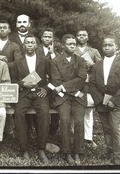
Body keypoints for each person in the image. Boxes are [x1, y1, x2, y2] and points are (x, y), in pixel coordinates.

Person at [89, 36, 120, 165]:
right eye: (105, 45)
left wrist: (114, 100)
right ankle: (110, 152)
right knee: (106, 129)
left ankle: (118, 159)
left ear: (116, 46)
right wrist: (100, 100)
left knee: (115, 129)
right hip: (101, 101)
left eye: (110, 45)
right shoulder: (97, 65)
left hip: (116, 102)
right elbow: (92, 84)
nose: (107, 48)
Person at [11, 34, 51, 163]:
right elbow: (12, 81)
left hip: (40, 93)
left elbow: (54, 78)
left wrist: (46, 89)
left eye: (32, 42)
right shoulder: (18, 62)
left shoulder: (44, 60)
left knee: (44, 113)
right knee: (18, 113)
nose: (29, 45)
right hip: (24, 94)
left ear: (36, 45)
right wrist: (23, 84)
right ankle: (24, 149)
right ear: (24, 45)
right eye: (27, 42)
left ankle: (41, 148)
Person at [50, 34, 87, 165]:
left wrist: (64, 86)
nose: (73, 46)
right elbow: (55, 81)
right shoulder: (55, 61)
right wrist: (66, 87)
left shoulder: (81, 60)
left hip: (78, 97)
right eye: (69, 44)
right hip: (63, 98)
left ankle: (78, 151)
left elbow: (81, 79)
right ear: (63, 45)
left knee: (79, 121)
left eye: (74, 44)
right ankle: (66, 152)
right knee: (64, 120)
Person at [0, 20, 22, 137]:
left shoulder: (14, 46)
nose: (2, 30)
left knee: (11, 103)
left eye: (5, 28)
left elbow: (18, 62)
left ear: (9, 30)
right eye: (0, 28)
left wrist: (4, 64)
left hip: (9, 78)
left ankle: (13, 130)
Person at [75, 28, 102, 147]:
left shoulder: (94, 51)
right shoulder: (71, 48)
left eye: (84, 35)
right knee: (73, 111)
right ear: (76, 37)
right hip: (75, 84)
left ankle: (88, 138)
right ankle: (73, 136)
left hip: (89, 84)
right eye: (79, 35)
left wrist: (93, 65)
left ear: (87, 37)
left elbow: (101, 68)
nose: (81, 36)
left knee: (88, 110)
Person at [37, 28, 61, 138]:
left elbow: (59, 68)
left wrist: (52, 54)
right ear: (41, 38)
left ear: (53, 39)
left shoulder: (56, 53)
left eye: (49, 37)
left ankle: (53, 130)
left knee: (58, 100)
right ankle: (39, 131)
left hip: (52, 85)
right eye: (45, 36)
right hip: (39, 84)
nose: (47, 39)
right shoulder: (36, 50)